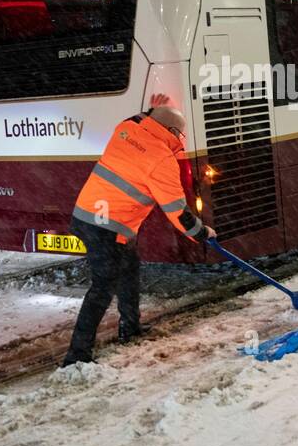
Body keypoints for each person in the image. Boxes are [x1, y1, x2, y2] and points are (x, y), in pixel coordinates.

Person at [61, 94, 214, 367]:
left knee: (129, 267)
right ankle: (76, 356)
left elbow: (142, 122)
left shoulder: (125, 129)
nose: (181, 142)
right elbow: (178, 212)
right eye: (180, 136)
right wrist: (202, 233)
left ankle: (129, 327)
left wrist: (155, 109)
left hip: (86, 215)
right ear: (172, 133)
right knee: (102, 288)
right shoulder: (161, 160)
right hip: (106, 227)